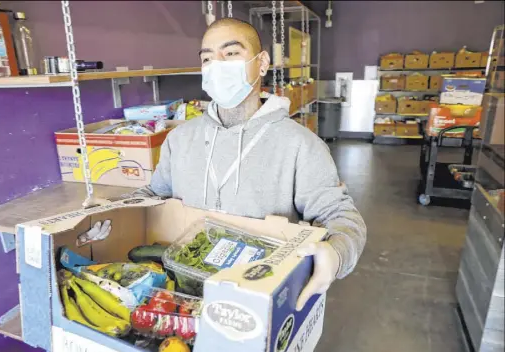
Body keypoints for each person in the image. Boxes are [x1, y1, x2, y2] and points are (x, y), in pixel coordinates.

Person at [88, 18, 366, 312]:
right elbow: (155, 195)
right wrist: (112, 210)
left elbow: (340, 216)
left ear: (261, 64)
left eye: (230, 53)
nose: (216, 65)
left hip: (259, 296)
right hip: (182, 294)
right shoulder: (180, 139)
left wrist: (335, 253)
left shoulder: (301, 145)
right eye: (207, 58)